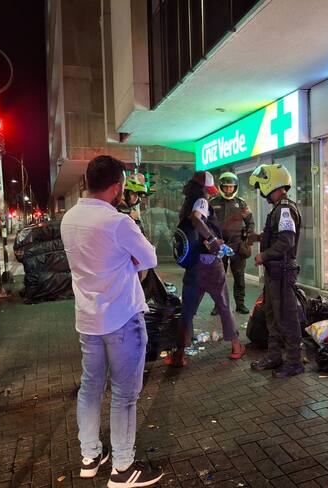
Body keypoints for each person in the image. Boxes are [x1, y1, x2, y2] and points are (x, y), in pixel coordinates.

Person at [61, 155, 163, 487]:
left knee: (90, 387)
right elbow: (149, 258)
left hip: (87, 320)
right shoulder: (118, 222)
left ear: (88, 181)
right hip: (122, 319)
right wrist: (128, 263)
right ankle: (122, 468)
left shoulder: (69, 219)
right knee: (124, 394)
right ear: (117, 187)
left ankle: (90, 457)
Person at [168, 170, 246, 367]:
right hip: (210, 265)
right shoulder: (201, 202)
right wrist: (212, 239)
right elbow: (197, 219)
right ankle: (236, 347)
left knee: (187, 310)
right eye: (208, 191)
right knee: (224, 305)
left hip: (193, 265)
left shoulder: (186, 205)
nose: (210, 194)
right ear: (204, 189)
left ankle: (180, 354)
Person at [248, 164, 303, 378]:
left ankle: (294, 362)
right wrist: (259, 238)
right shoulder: (278, 209)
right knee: (272, 316)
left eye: (262, 186)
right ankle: (274, 356)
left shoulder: (285, 209)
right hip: (275, 273)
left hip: (283, 272)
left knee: (286, 318)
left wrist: (264, 256)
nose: (262, 192)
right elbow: (278, 236)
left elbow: (286, 241)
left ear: (272, 183)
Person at [209, 172, 255, 315]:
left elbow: (250, 223)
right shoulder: (213, 202)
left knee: (239, 277)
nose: (228, 189)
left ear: (235, 187)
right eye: (226, 187)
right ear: (221, 186)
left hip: (237, 246)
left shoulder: (241, 203)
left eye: (231, 187)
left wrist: (248, 239)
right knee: (218, 277)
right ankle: (218, 305)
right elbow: (206, 223)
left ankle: (240, 304)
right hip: (219, 246)